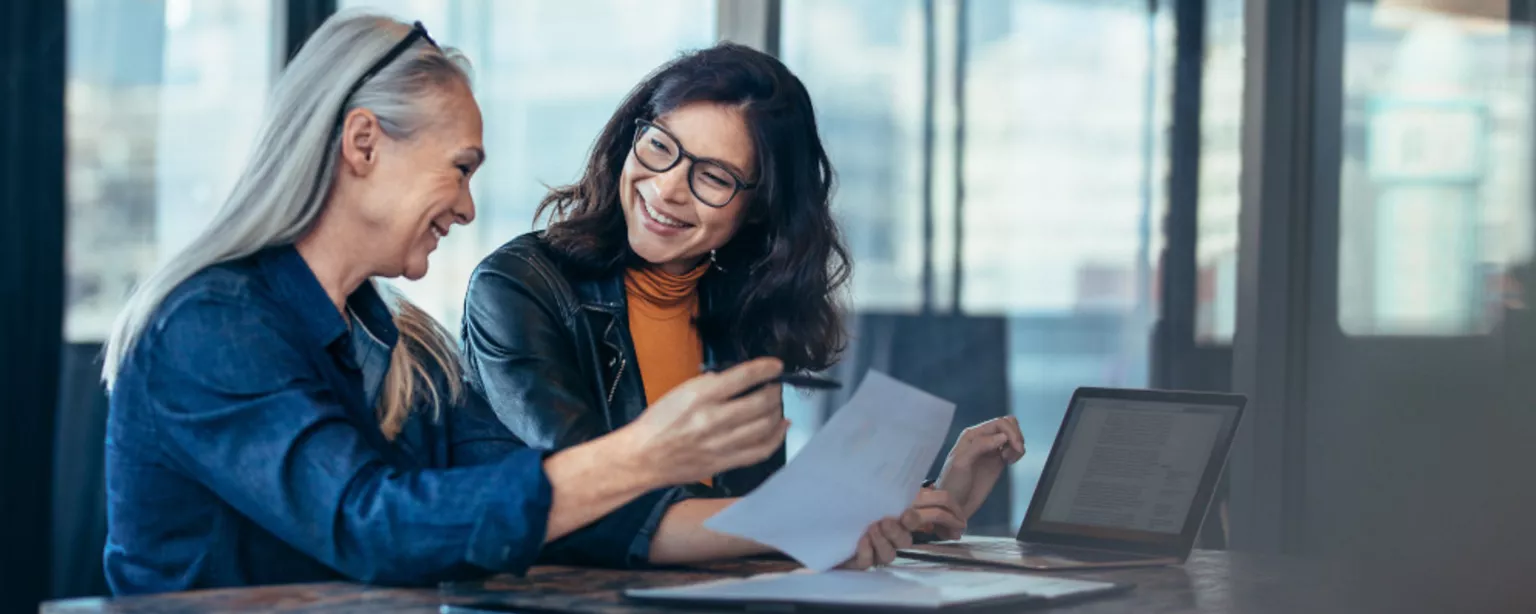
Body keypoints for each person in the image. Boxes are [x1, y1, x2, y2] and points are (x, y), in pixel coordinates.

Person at [100, 14, 937, 595]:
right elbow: (370, 526)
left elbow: (558, 516)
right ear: (363, 144)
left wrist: (831, 517)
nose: (467, 207)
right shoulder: (210, 325)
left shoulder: (402, 344)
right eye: (460, 167)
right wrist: (642, 455)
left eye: (713, 177)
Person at [461, 43, 1025, 529]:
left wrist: (919, 504)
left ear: (758, 210)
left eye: (713, 177)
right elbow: (588, 496)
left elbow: (757, 520)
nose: (667, 189)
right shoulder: (519, 287)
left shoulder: (743, 309)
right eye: (659, 146)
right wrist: (828, 515)